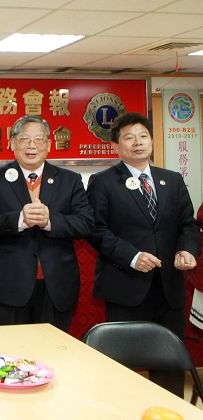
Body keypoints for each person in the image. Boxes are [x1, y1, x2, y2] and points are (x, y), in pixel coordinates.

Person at [87, 111, 200, 397]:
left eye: (143, 136)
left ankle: (171, 410)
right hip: (125, 286)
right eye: (129, 138)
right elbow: (96, 230)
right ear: (116, 146)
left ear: (151, 141)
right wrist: (133, 257)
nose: (138, 143)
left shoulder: (171, 180)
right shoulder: (103, 182)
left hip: (169, 288)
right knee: (122, 367)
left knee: (169, 364)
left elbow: (188, 224)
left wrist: (187, 249)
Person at [0, 115, 94, 332]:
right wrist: (20, 220)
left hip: (56, 287)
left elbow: (86, 223)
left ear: (48, 145)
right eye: (24, 139)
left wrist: (50, 221)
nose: (31, 146)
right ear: (12, 143)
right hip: (10, 286)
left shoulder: (70, 180)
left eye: (38, 140)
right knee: (11, 350)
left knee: (54, 349)